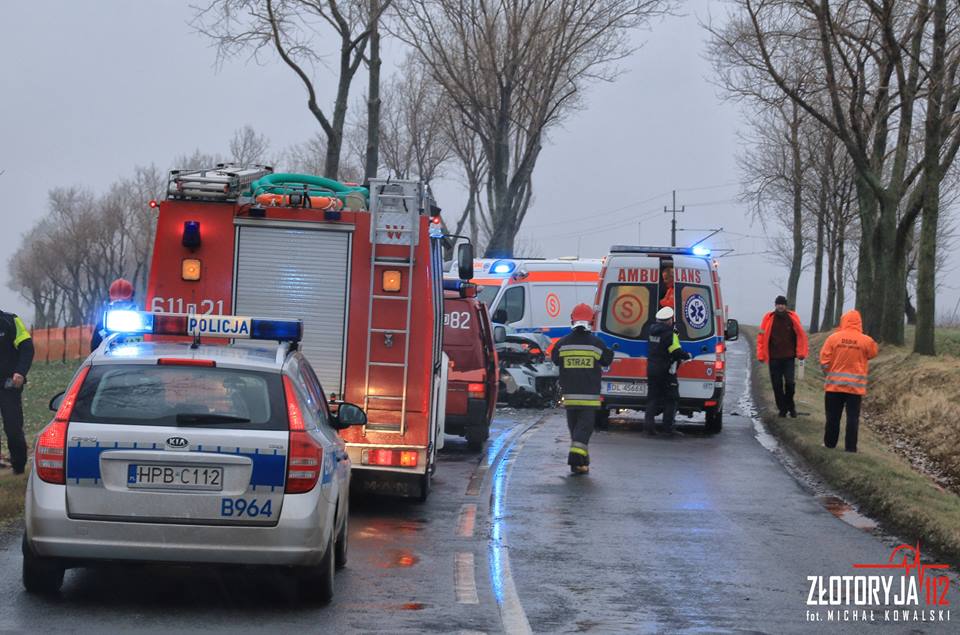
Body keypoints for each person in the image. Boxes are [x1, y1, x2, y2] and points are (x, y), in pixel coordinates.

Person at [550, 303, 614, 474]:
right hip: (589, 398)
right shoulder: (596, 344)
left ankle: (580, 464)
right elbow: (607, 360)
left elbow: (554, 359)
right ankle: (575, 458)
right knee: (584, 430)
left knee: (575, 431)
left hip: (570, 397)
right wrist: (611, 351)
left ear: (572, 320)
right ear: (591, 321)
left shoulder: (562, 344)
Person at [819, 310, 878, 453]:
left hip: (834, 386)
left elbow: (824, 361)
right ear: (859, 322)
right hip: (855, 388)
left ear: (843, 321)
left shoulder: (833, 338)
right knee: (852, 419)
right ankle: (850, 448)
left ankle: (829, 444)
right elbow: (873, 353)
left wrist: (828, 373)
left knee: (832, 417)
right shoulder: (866, 340)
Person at [757, 295, 809, 417]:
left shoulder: (793, 318)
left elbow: (801, 336)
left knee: (790, 384)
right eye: (778, 304)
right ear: (775, 305)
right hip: (774, 358)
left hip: (789, 358)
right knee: (777, 385)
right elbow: (761, 337)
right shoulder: (768, 318)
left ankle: (790, 406)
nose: (780, 306)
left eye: (782, 304)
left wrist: (801, 353)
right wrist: (760, 354)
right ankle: (782, 409)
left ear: (786, 306)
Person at [645, 306, 691, 436]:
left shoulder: (651, 332)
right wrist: (687, 355)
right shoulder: (670, 335)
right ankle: (668, 428)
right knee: (672, 398)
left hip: (652, 368)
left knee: (652, 398)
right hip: (666, 370)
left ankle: (649, 427)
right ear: (669, 320)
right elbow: (675, 351)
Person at [0, 310, 34, 474]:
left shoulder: (10, 321)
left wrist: (20, 372)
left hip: (8, 385)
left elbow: (27, 348)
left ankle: (18, 467)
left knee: (13, 428)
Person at [91, 278, 137, 350]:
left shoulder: (141, 326)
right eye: (117, 305)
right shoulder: (102, 327)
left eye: (125, 305)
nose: (121, 309)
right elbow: (94, 353)